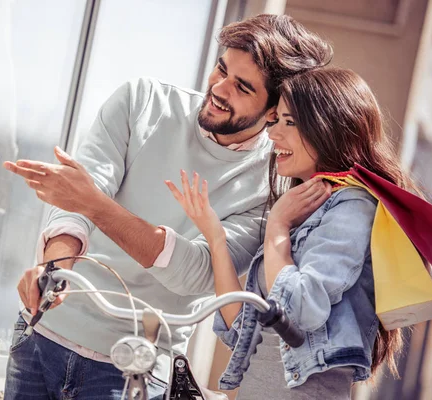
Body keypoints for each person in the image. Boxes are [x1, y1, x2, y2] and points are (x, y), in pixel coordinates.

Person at [2, 13, 332, 400]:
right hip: (38, 338)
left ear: (274, 110)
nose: (220, 89)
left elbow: (196, 274)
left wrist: (94, 204)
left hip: (134, 370)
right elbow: (76, 203)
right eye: (221, 70)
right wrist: (54, 267)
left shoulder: (272, 185)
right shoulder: (141, 101)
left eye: (242, 87)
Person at [166, 67, 407, 399]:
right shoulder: (304, 209)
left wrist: (277, 229)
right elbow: (243, 330)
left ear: (328, 127)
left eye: (289, 122)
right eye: (276, 120)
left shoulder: (352, 207)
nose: (273, 133)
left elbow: (303, 309)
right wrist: (215, 237)